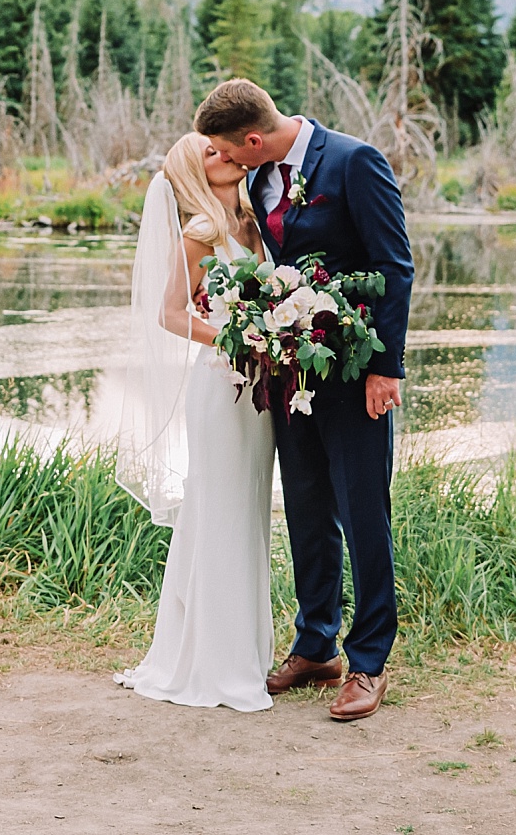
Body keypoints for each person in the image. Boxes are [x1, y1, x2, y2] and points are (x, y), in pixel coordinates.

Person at [195, 78, 413, 722]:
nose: (227, 161)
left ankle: (369, 661)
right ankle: (316, 644)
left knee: (363, 512)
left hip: (355, 374)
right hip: (291, 377)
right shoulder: (258, 182)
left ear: (254, 140)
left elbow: (393, 266)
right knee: (308, 511)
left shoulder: (354, 162)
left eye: (228, 151)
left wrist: (385, 369)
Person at [111, 132, 277, 711]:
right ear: (195, 174)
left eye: (225, 148)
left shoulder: (256, 222)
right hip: (220, 386)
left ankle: (245, 653)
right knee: (219, 510)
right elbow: (170, 313)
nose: (226, 154)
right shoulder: (200, 233)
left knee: (248, 510)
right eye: (210, 154)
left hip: (260, 391)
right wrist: (238, 336)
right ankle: (214, 662)